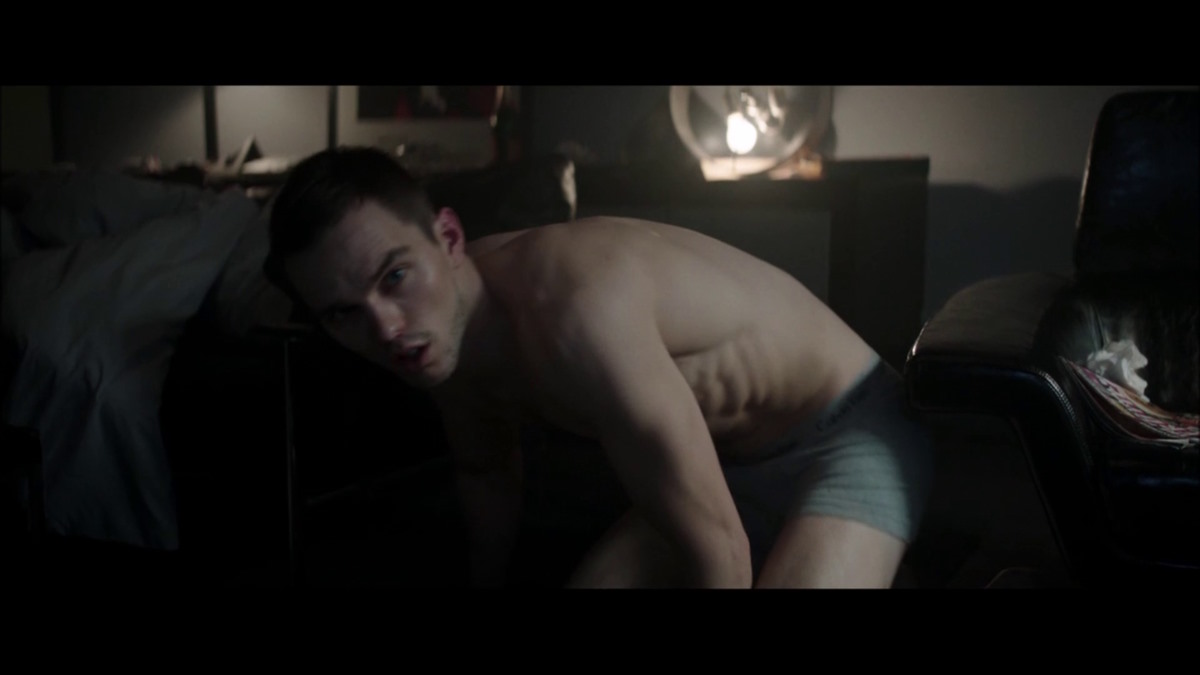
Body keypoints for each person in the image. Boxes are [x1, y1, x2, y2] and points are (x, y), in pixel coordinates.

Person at [263, 146, 934, 588]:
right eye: (343, 313)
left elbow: (721, 553)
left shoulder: (573, 308)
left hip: (852, 431)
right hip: (729, 463)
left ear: (449, 237)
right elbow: (487, 473)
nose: (385, 328)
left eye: (394, 276)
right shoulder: (438, 332)